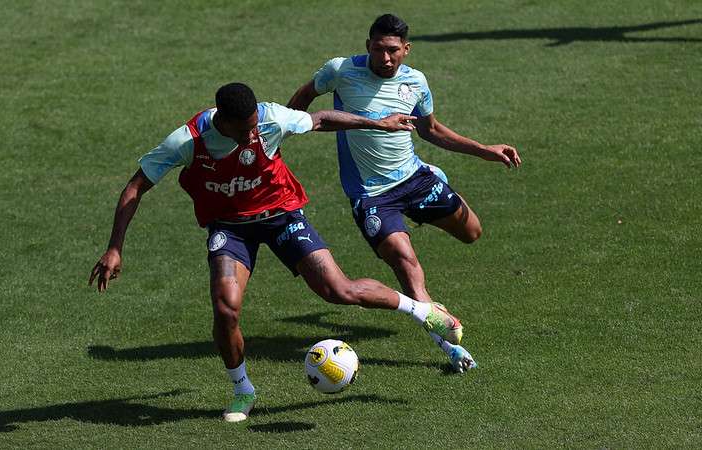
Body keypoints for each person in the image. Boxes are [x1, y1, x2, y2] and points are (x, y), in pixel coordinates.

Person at [89, 82, 476, 423]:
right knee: (226, 309)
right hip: (230, 228)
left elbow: (322, 118)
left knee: (337, 291)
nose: (253, 133)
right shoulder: (187, 142)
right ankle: (243, 390)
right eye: (244, 130)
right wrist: (114, 248)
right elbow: (134, 188)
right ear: (221, 120)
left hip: (282, 216)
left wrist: (378, 123)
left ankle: (424, 312)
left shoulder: (271, 118)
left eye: (255, 124)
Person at [287, 14, 521, 324]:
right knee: (404, 260)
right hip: (372, 195)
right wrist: (283, 132)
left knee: (472, 233)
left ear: (406, 49)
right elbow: (305, 96)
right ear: (368, 45)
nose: (385, 58)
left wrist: (483, 150)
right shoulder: (341, 71)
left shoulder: (415, 82)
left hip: (414, 178)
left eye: (393, 50)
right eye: (379, 49)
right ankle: (445, 335)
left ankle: (431, 182)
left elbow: (431, 130)